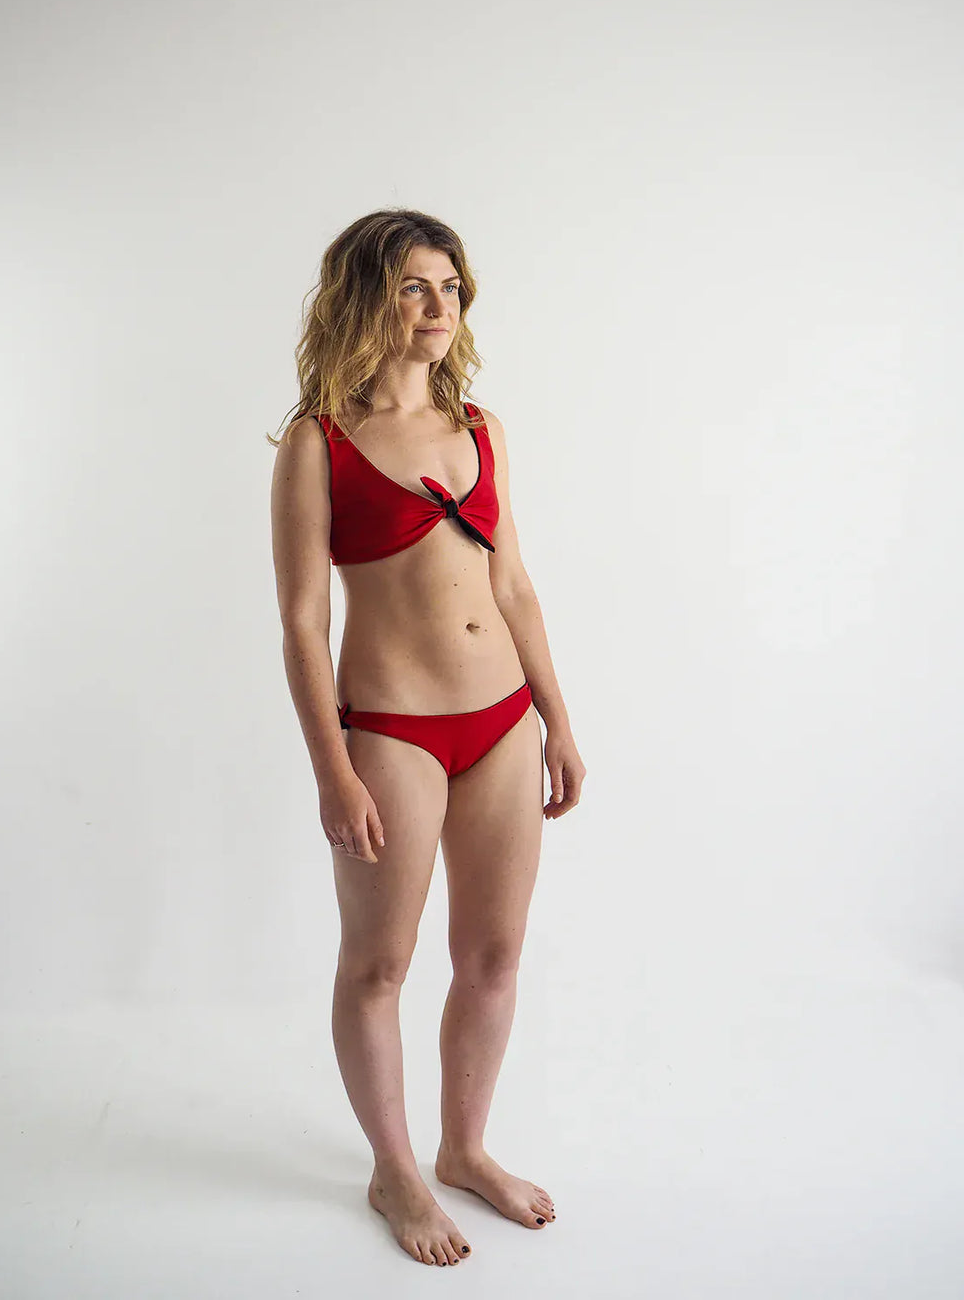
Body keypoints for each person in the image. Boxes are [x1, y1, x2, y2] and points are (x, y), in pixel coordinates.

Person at [268, 208, 585, 1266]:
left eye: (449, 286)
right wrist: (332, 769)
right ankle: (393, 1169)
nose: (437, 305)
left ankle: (463, 1148)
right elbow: (302, 622)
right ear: (367, 297)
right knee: (380, 963)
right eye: (412, 285)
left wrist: (557, 717)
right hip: (391, 728)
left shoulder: (480, 426)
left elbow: (513, 585)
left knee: (492, 954)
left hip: (501, 722)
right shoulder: (319, 440)